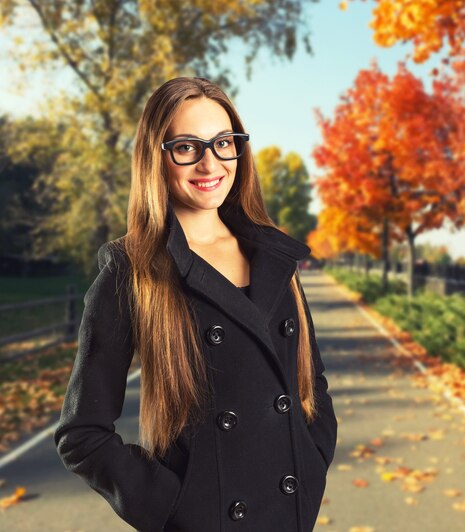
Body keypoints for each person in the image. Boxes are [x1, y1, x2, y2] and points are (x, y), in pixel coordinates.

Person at [53, 76, 338, 532]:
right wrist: (178, 508)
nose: (211, 163)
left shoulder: (276, 256)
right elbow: (81, 434)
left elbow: (310, 381)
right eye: (187, 147)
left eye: (224, 143)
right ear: (157, 156)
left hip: (291, 513)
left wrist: (313, 460)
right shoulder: (134, 270)